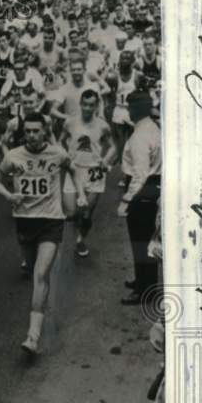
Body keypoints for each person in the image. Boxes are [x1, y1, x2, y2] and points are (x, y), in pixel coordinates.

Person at [0, 113, 86, 357]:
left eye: (37, 131)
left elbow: (73, 169)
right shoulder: (13, 156)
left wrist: (81, 194)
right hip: (24, 220)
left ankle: (32, 336)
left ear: (45, 131)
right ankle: (41, 309)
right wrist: (9, 196)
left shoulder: (57, 153)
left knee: (41, 273)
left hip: (50, 220)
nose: (32, 135)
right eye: (28, 131)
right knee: (35, 273)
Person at [60, 89, 116, 257]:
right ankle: (77, 226)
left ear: (96, 105)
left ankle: (80, 239)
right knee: (70, 212)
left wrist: (105, 161)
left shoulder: (102, 126)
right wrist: (65, 156)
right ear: (80, 104)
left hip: (94, 172)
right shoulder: (70, 123)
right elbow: (61, 140)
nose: (87, 108)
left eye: (91, 105)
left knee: (86, 214)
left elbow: (113, 146)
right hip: (74, 169)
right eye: (84, 104)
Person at [118, 92, 162, 305]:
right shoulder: (151, 128)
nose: (128, 110)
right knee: (144, 240)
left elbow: (140, 174)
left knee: (140, 241)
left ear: (137, 109)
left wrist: (126, 200)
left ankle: (146, 290)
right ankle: (143, 282)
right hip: (152, 187)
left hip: (142, 189)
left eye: (130, 107)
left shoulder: (140, 136)